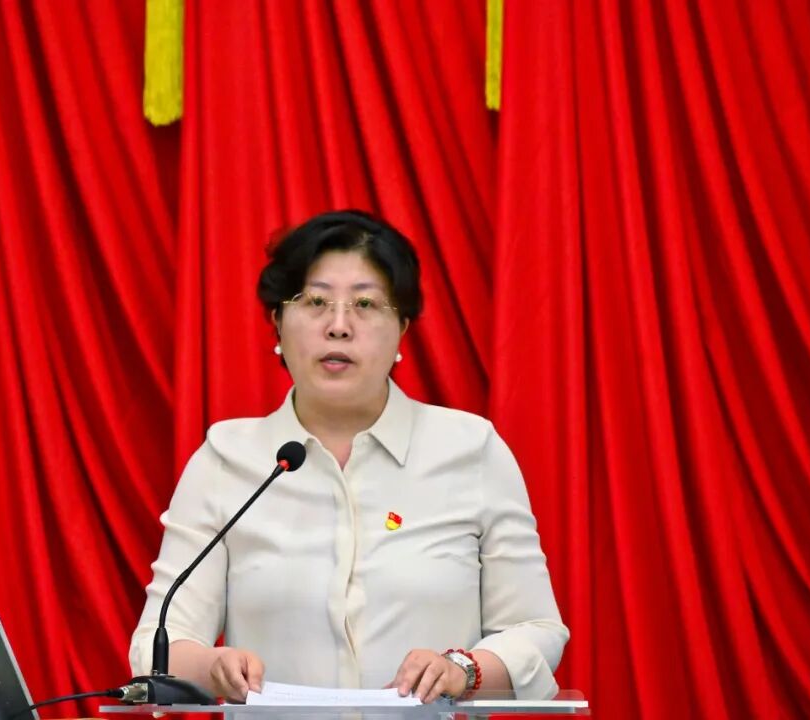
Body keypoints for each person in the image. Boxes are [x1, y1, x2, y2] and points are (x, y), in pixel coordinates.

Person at [129, 210, 568, 703]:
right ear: (277, 323)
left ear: (402, 328)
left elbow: (536, 629)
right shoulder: (226, 460)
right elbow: (158, 642)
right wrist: (213, 668)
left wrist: (462, 670)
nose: (338, 326)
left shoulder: (471, 450)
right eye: (315, 301)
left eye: (365, 304)